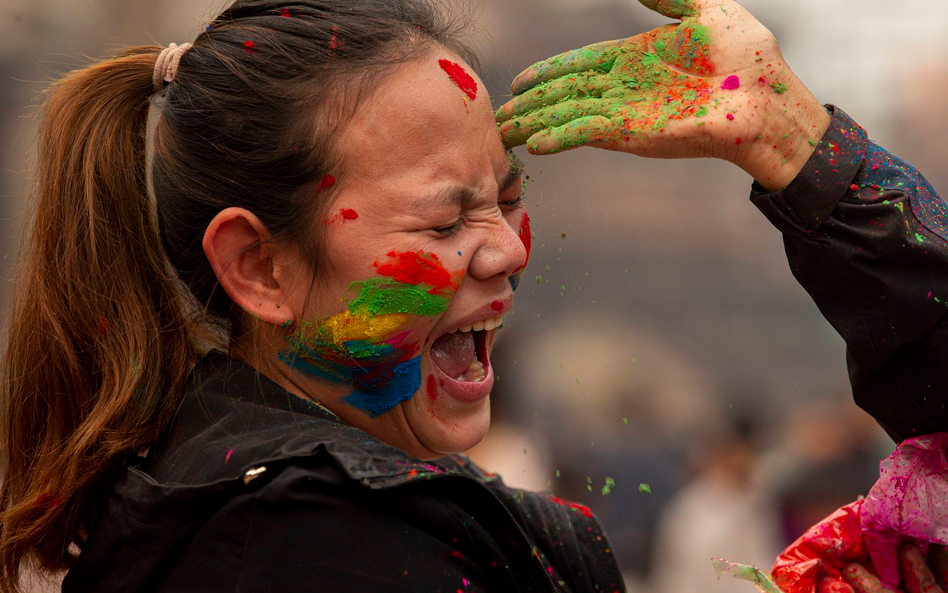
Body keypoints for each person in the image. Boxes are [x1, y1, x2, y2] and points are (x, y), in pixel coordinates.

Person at [0, 0, 941, 591]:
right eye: (447, 223)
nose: (504, 253)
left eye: (510, 200)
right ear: (260, 267)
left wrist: (798, 148)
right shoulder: (322, 540)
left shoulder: (256, 504)